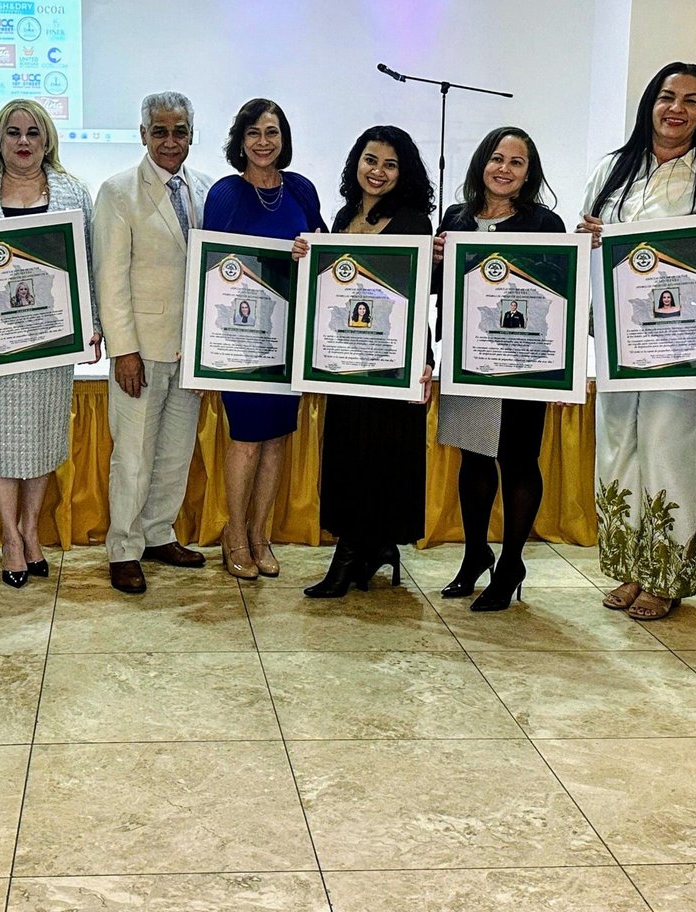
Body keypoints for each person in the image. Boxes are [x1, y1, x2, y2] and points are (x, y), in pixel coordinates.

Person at [579, 62, 696, 622]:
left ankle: (667, 574)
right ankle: (630, 565)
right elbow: (588, 239)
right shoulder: (612, 169)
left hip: (683, 342)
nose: (677, 109)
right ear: (650, 103)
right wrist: (590, 240)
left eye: (691, 101)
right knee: (617, 446)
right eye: (667, 97)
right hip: (620, 335)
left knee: (670, 448)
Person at [0, 98, 101, 587]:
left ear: (47, 139)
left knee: (43, 436)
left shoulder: (74, 192)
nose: (24, 141)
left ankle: (31, 530)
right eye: (13, 133)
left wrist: (93, 323)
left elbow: (88, 262)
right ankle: (10, 538)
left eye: (33, 132)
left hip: (53, 338)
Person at [296, 125, 432, 598]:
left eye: (390, 165)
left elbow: (415, 299)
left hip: (392, 361)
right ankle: (374, 547)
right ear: (356, 162)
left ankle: (350, 557)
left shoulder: (413, 222)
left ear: (403, 173)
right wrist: (307, 257)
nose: (378, 171)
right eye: (371, 160)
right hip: (346, 358)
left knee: (379, 456)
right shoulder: (343, 216)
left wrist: (424, 361)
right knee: (348, 453)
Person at [433, 127, 565, 611]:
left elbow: (559, 290)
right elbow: (437, 288)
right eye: (496, 158)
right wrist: (434, 259)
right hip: (468, 359)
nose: (504, 169)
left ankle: (510, 564)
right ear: (481, 163)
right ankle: (475, 555)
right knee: (473, 457)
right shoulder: (455, 218)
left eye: (516, 162)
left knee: (518, 460)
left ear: (529, 174)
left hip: (523, 364)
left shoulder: (545, 224)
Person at [92, 91, 213, 594]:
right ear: (143, 134)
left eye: (179, 131)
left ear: (191, 134)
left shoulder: (207, 189)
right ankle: (124, 548)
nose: (170, 141)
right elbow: (110, 277)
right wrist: (123, 350)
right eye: (159, 131)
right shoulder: (118, 191)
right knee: (134, 458)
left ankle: (159, 534)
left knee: (175, 455)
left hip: (192, 352)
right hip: (140, 350)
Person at [203, 98, 326, 579]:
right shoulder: (225, 193)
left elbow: (326, 252)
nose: (262, 141)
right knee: (247, 440)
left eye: (272, 132)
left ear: (284, 139)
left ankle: (260, 535)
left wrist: (310, 251)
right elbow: (211, 266)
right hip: (241, 341)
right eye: (253, 132)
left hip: (288, 337)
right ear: (240, 140)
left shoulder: (302, 189)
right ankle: (234, 534)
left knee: (277, 440)